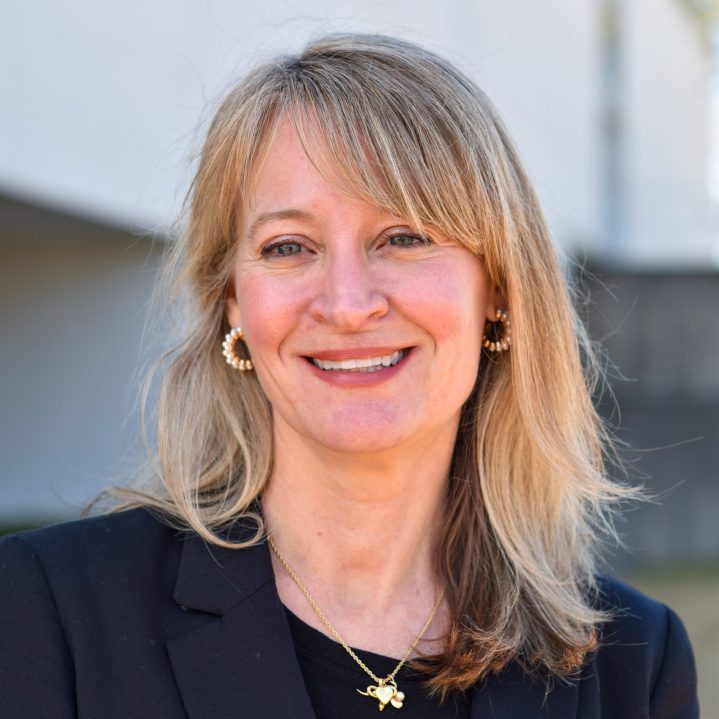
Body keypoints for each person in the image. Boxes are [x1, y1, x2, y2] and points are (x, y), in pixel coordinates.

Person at [0, 34, 699, 718]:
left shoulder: (631, 665)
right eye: (288, 246)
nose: (346, 304)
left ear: (498, 290)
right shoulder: (49, 613)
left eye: (402, 238)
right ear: (233, 302)